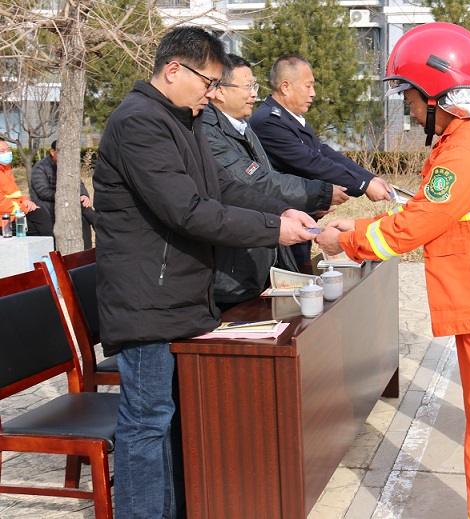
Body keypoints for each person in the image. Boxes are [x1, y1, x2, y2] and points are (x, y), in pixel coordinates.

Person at [315, 22, 470, 519]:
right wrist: (361, 226)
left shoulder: (466, 149)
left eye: (411, 97)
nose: (410, 108)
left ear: (439, 92)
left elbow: (413, 227)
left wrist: (346, 240)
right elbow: (431, 213)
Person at [92, 27, 316, 519]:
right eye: (208, 82)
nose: (212, 93)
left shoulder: (184, 119)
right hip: (148, 300)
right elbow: (187, 210)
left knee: (174, 419)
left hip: (182, 294)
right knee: (147, 423)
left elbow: (224, 190)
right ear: (174, 70)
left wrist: (281, 214)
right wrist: (272, 230)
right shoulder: (138, 122)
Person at [202, 53, 350, 309]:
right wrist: (319, 194)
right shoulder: (208, 131)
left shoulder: (243, 126)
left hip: (259, 258)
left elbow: (268, 180)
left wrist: (302, 208)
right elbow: (255, 182)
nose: (254, 94)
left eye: (255, 86)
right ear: (220, 91)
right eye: (247, 86)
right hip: (231, 271)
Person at [250, 54, 392, 267]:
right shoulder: (269, 121)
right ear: (285, 87)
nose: (313, 93)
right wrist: (363, 185)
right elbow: (311, 162)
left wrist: (368, 179)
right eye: (308, 86)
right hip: (282, 224)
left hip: (301, 217)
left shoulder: (289, 118)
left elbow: (322, 152)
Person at [29, 140, 96, 249]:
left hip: (67, 201)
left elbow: (79, 184)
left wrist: (84, 195)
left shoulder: (68, 165)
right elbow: (43, 192)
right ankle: (103, 228)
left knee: (83, 216)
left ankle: (87, 252)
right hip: (47, 205)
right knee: (82, 207)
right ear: (52, 152)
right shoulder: (40, 167)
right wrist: (68, 197)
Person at [0, 140, 54, 237]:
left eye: (8, 150)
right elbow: (2, 204)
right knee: (36, 229)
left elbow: (15, 193)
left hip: (15, 212)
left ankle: (52, 244)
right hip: (5, 218)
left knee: (40, 214)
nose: (7, 153)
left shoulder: (6, 169)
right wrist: (24, 208)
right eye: (2, 151)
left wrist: (25, 201)